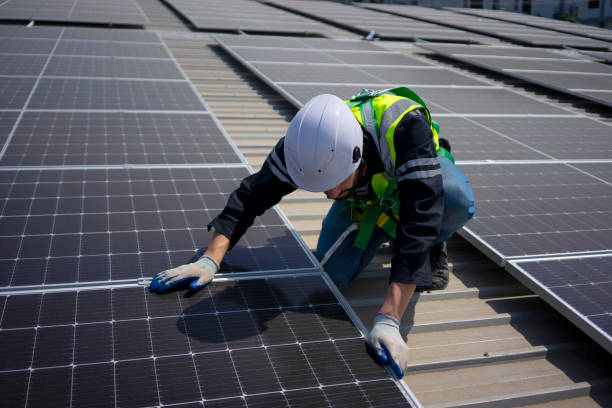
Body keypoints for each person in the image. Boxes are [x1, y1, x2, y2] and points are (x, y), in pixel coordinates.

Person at [150, 89, 476, 378]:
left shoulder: (403, 124)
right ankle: (381, 222)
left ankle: (437, 245)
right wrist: (210, 259)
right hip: (368, 199)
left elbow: (420, 217)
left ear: (358, 157)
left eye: (336, 183)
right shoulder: (302, 148)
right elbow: (252, 196)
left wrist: (390, 318)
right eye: (324, 188)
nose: (331, 193)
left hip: (418, 186)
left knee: (452, 199)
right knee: (331, 276)